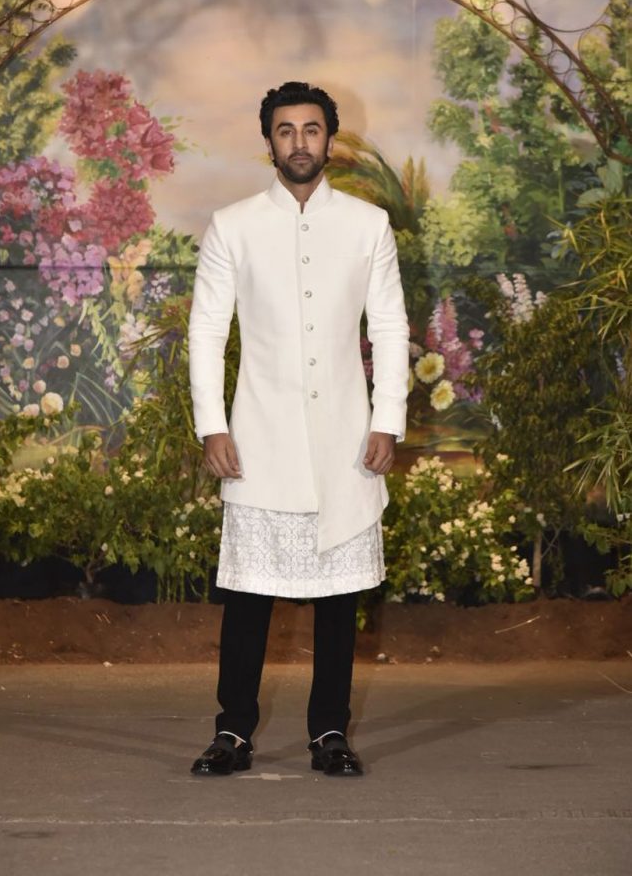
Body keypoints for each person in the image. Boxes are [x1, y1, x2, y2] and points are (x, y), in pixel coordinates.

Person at [188, 81, 409, 777]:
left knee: (340, 601)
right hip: (260, 438)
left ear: (329, 139)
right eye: (285, 131)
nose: (299, 142)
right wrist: (211, 426)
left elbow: (391, 328)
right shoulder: (233, 225)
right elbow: (206, 332)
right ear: (269, 142)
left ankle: (329, 734)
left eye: (311, 129)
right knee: (248, 598)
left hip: (346, 438)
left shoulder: (368, 225)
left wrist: (388, 419)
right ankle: (233, 732)